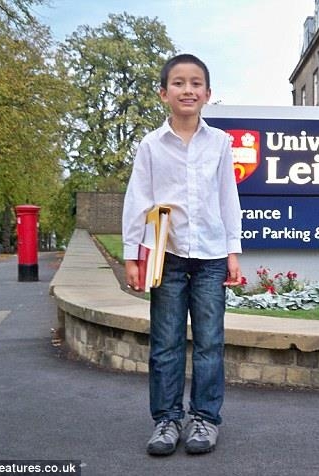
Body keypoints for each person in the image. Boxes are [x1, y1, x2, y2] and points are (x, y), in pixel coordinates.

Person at [122, 53, 242, 456]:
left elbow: (228, 199)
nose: (187, 89)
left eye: (195, 83)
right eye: (178, 83)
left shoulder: (221, 143)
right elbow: (137, 200)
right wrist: (130, 255)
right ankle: (167, 420)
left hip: (209, 257)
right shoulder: (151, 146)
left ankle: (205, 419)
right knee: (166, 343)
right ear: (163, 93)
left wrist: (232, 251)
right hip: (166, 256)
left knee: (210, 342)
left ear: (207, 94)